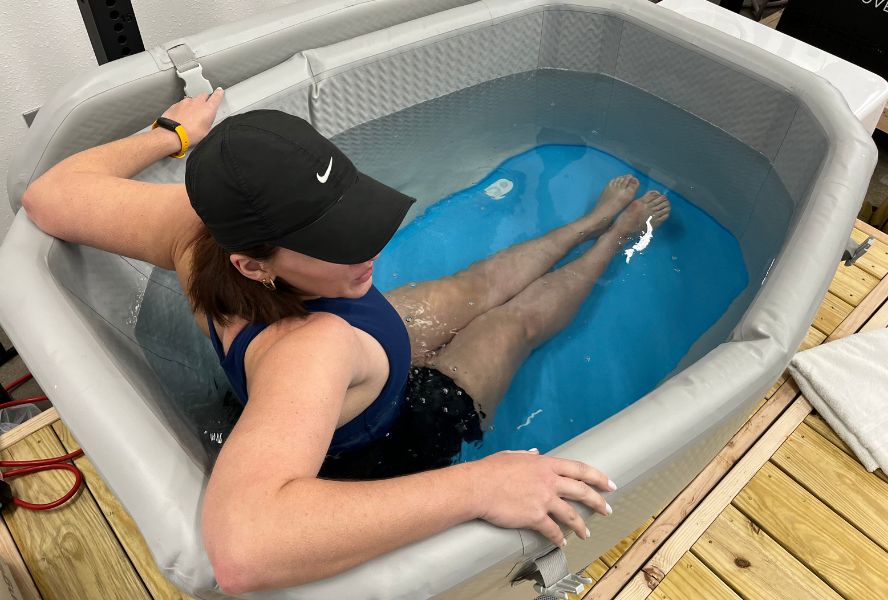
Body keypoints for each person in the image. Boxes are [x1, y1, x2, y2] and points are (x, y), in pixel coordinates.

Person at [21, 90, 670, 594]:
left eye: (355, 214)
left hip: (359, 372)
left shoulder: (195, 234)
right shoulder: (311, 350)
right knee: (512, 325)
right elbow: (240, 548)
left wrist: (172, 134)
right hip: (390, 438)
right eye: (336, 243)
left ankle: (586, 222)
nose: (373, 248)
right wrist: (481, 486)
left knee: (476, 284)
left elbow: (50, 196)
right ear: (255, 263)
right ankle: (611, 239)